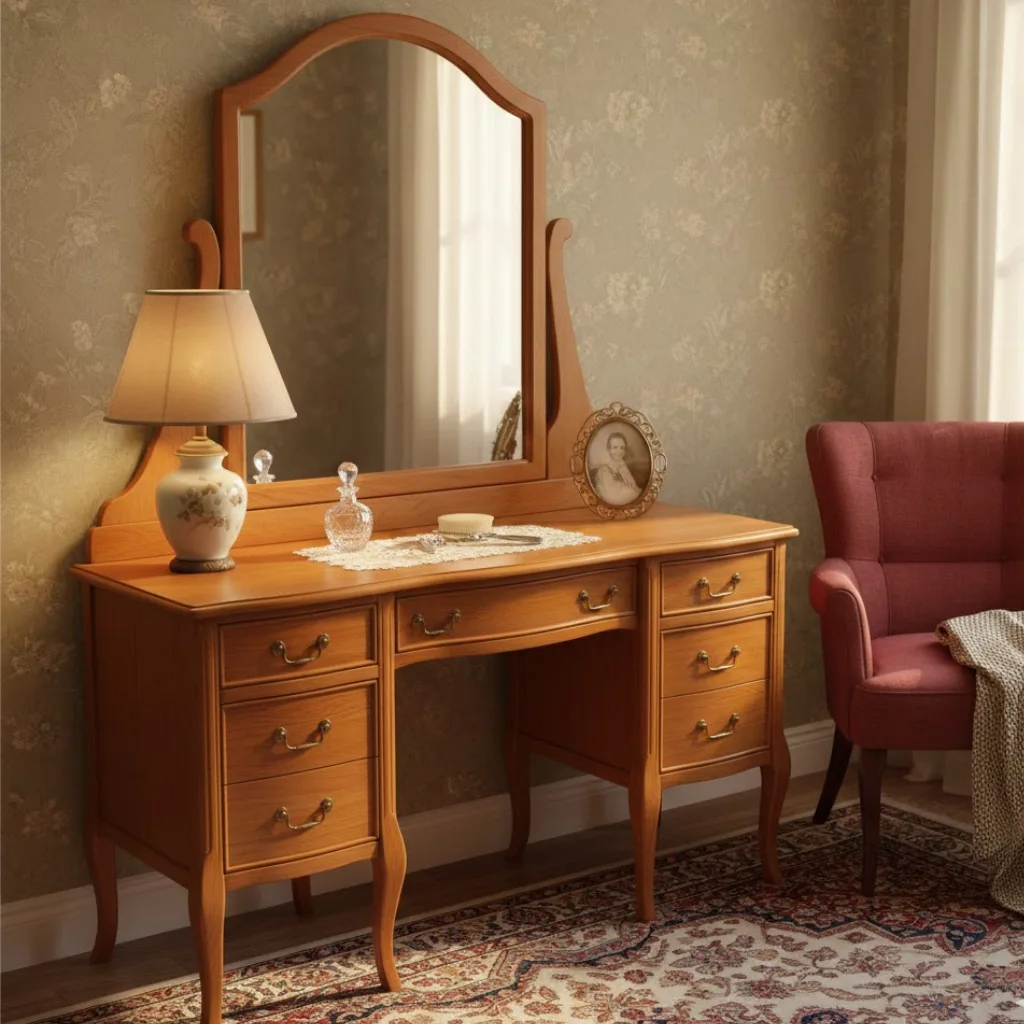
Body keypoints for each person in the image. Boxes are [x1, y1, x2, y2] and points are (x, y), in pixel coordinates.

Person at [590, 431, 642, 505]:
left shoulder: (621, 464)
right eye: (615, 447)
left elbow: (631, 482)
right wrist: (632, 492)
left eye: (622, 448)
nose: (619, 451)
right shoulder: (604, 470)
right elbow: (611, 496)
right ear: (609, 449)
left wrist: (634, 489)